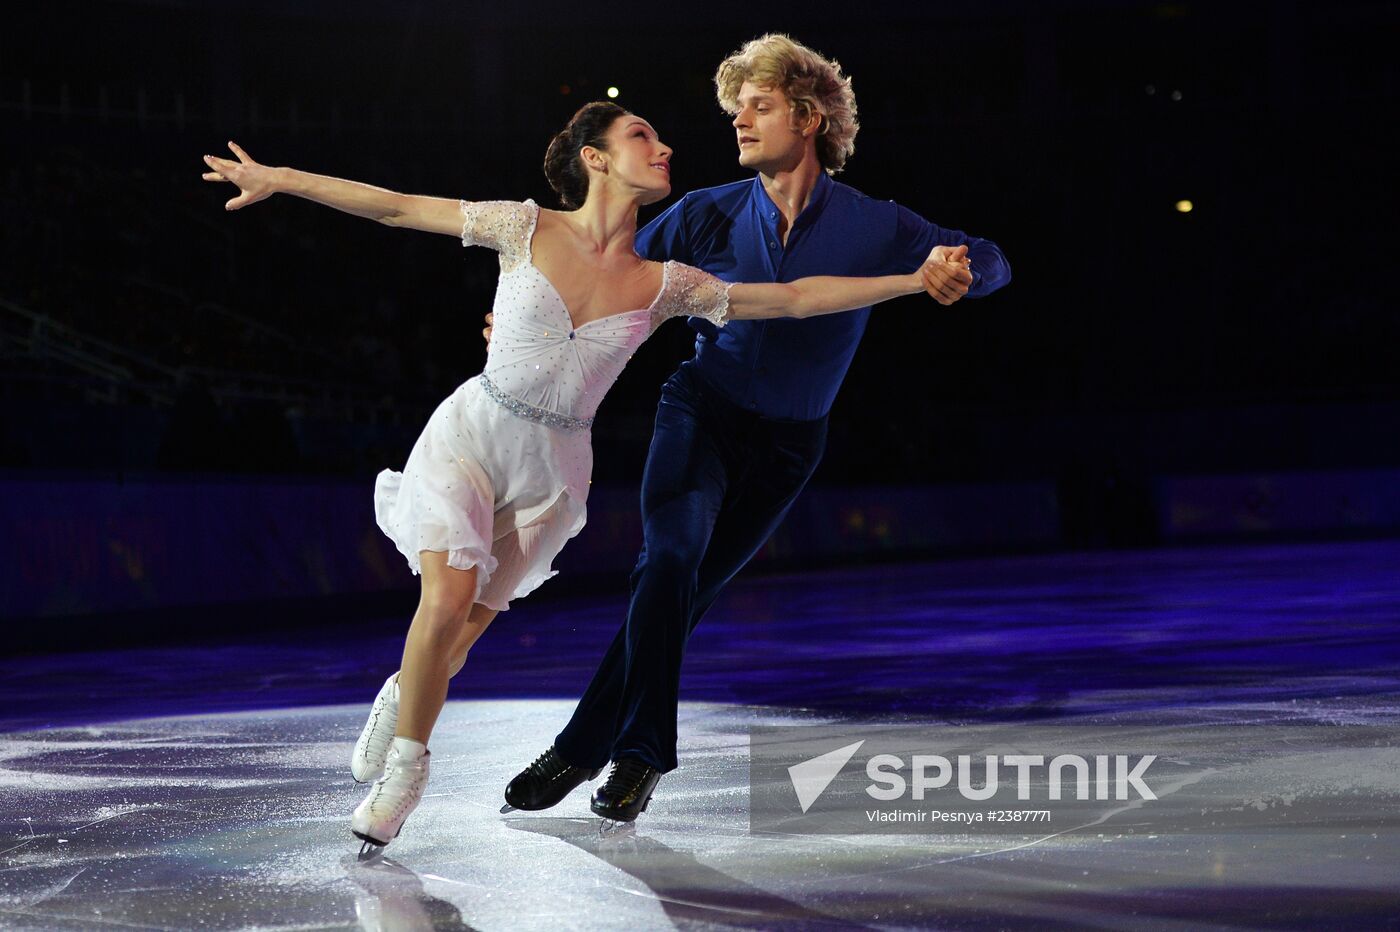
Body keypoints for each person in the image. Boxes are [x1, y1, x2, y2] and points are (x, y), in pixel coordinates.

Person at [201, 100, 962, 851]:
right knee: (448, 596)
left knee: (457, 640)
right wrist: (281, 177)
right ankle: (405, 776)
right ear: (596, 159)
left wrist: (909, 281)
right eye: (642, 136)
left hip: (553, 473)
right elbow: (398, 209)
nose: (664, 147)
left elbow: (796, 300)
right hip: (472, 434)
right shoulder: (522, 224)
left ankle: (404, 692)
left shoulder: (669, 284)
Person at [494, 35, 1013, 824]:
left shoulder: (876, 224)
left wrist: (961, 268)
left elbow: (989, 256)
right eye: (736, 107)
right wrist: (527, 309)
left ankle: (578, 745)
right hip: (700, 412)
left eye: (758, 106)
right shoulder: (705, 213)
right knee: (667, 561)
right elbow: (602, 262)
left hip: (788, 449)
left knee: (684, 592)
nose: (738, 120)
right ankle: (636, 757)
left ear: (808, 118)